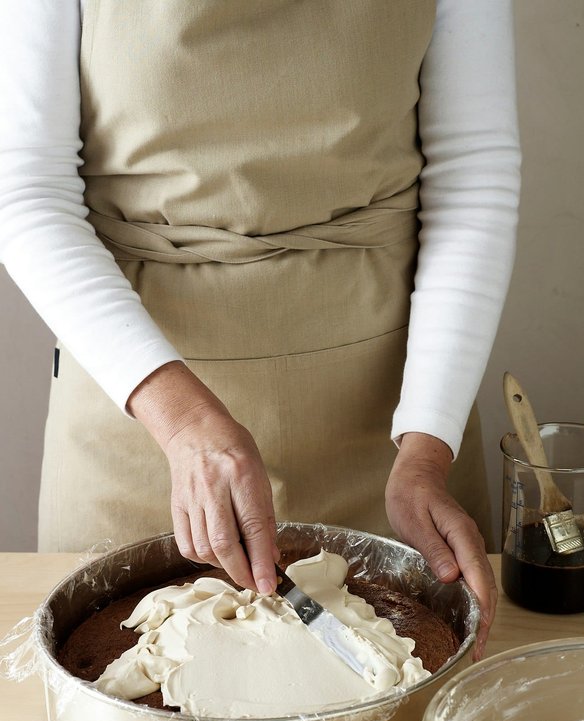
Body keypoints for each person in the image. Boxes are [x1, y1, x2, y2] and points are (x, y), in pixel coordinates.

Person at [0, 0, 520, 658]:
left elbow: (473, 176)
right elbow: (26, 190)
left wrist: (426, 450)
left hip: (394, 423)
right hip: (137, 415)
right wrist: (182, 423)